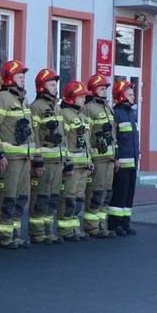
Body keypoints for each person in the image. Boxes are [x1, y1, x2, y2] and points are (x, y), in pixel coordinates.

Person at [0, 60, 40, 249]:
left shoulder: (23, 99)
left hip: (24, 158)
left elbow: (31, 131)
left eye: (24, 77)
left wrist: (34, 156)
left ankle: (15, 234)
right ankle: (4, 236)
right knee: (8, 198)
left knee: (21, 198)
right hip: (9, 160)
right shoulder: (2, 98)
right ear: (10, 78)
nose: (23, 80)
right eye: (20, 76)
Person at [29, 68, 64, 244]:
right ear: (42, 87)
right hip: (44, 162)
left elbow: (63, 135)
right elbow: (33, 135)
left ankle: (48, 230)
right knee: (41, 197)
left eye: (56, 84)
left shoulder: (56, 107)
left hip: (57, 161)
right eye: (52, 84)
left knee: (53, 198)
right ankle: (37, 232)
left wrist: (66, 160)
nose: (55, 88)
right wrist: (38, 160)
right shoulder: (36, 107)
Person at [82, 74, 118, 238]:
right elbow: (86, 136)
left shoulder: (108, 108)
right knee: (95, 193)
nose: (105, 92)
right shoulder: (89, 108)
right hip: (97, 160)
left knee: (106, 194)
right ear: (93, 90)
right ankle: (91, 226)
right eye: (102, 89)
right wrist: (89, 159)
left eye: (105, 89)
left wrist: (115, 156)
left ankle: (101, 224)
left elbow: (113, 134)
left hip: (109, 159)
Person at [57, 80, 91, 241]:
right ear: (71, 97)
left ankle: (74, 226)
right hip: (73, 165)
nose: (84, 100)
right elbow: (63, 141)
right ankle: (65, 229)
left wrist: (89, 161)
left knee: (79, 197)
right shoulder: (65, 114)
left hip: (83, 165)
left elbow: (87, 142)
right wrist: (67, 161)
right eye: (81, 97)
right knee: (68, 197)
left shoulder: (83, 116)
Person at [109, 80, 140, 235]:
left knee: (129, 196)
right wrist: (116, 158)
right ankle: (115, 225)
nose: (133, 97)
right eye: (130, 94)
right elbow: (114, 139)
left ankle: (125, 223)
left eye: (133, 94)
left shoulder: (131, 114)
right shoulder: (116, 114)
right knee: (119, 195)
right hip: (121, 164)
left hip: (132, 163)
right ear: (121, 96)